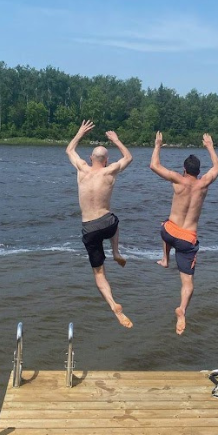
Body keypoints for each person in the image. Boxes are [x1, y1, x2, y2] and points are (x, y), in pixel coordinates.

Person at [149, 131, 218, 335]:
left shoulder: (178, 180)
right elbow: (217, 167)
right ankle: (182, 310)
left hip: (169, 233)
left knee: (166, 225)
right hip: (187, 239)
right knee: (188, 284)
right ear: (198, 171)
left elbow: (154, 166)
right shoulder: (203, 184)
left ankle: (165, 259)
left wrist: (158, 145)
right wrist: (209, 146)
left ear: (184, 170)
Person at [66, 120, 134, 328]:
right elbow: (129, 157)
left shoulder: (82, 169)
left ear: (90, 158)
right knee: (114, 221)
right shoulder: (110, 171)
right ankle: (115, 251)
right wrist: (116, 139)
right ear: (106, 160)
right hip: (107, 223)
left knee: (99, 273)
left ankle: (113, 304)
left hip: (89, 227)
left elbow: (69, 150)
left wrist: (79, 133)